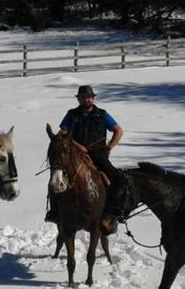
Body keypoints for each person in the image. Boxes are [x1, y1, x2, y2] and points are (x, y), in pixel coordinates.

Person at [45, 85, 126, 229]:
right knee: (55, 180)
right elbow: (62, 134)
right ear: (79, 99)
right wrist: (76, 145)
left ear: (93, 98)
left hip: (98, 154)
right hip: (75, 155)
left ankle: (110, 214)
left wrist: (109, 147)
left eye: (89, 97)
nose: (86, 100)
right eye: (83, 97)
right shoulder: (71, 114)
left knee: (118, 179)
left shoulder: (102, 114)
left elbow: (118, 131)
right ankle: (55, 212)